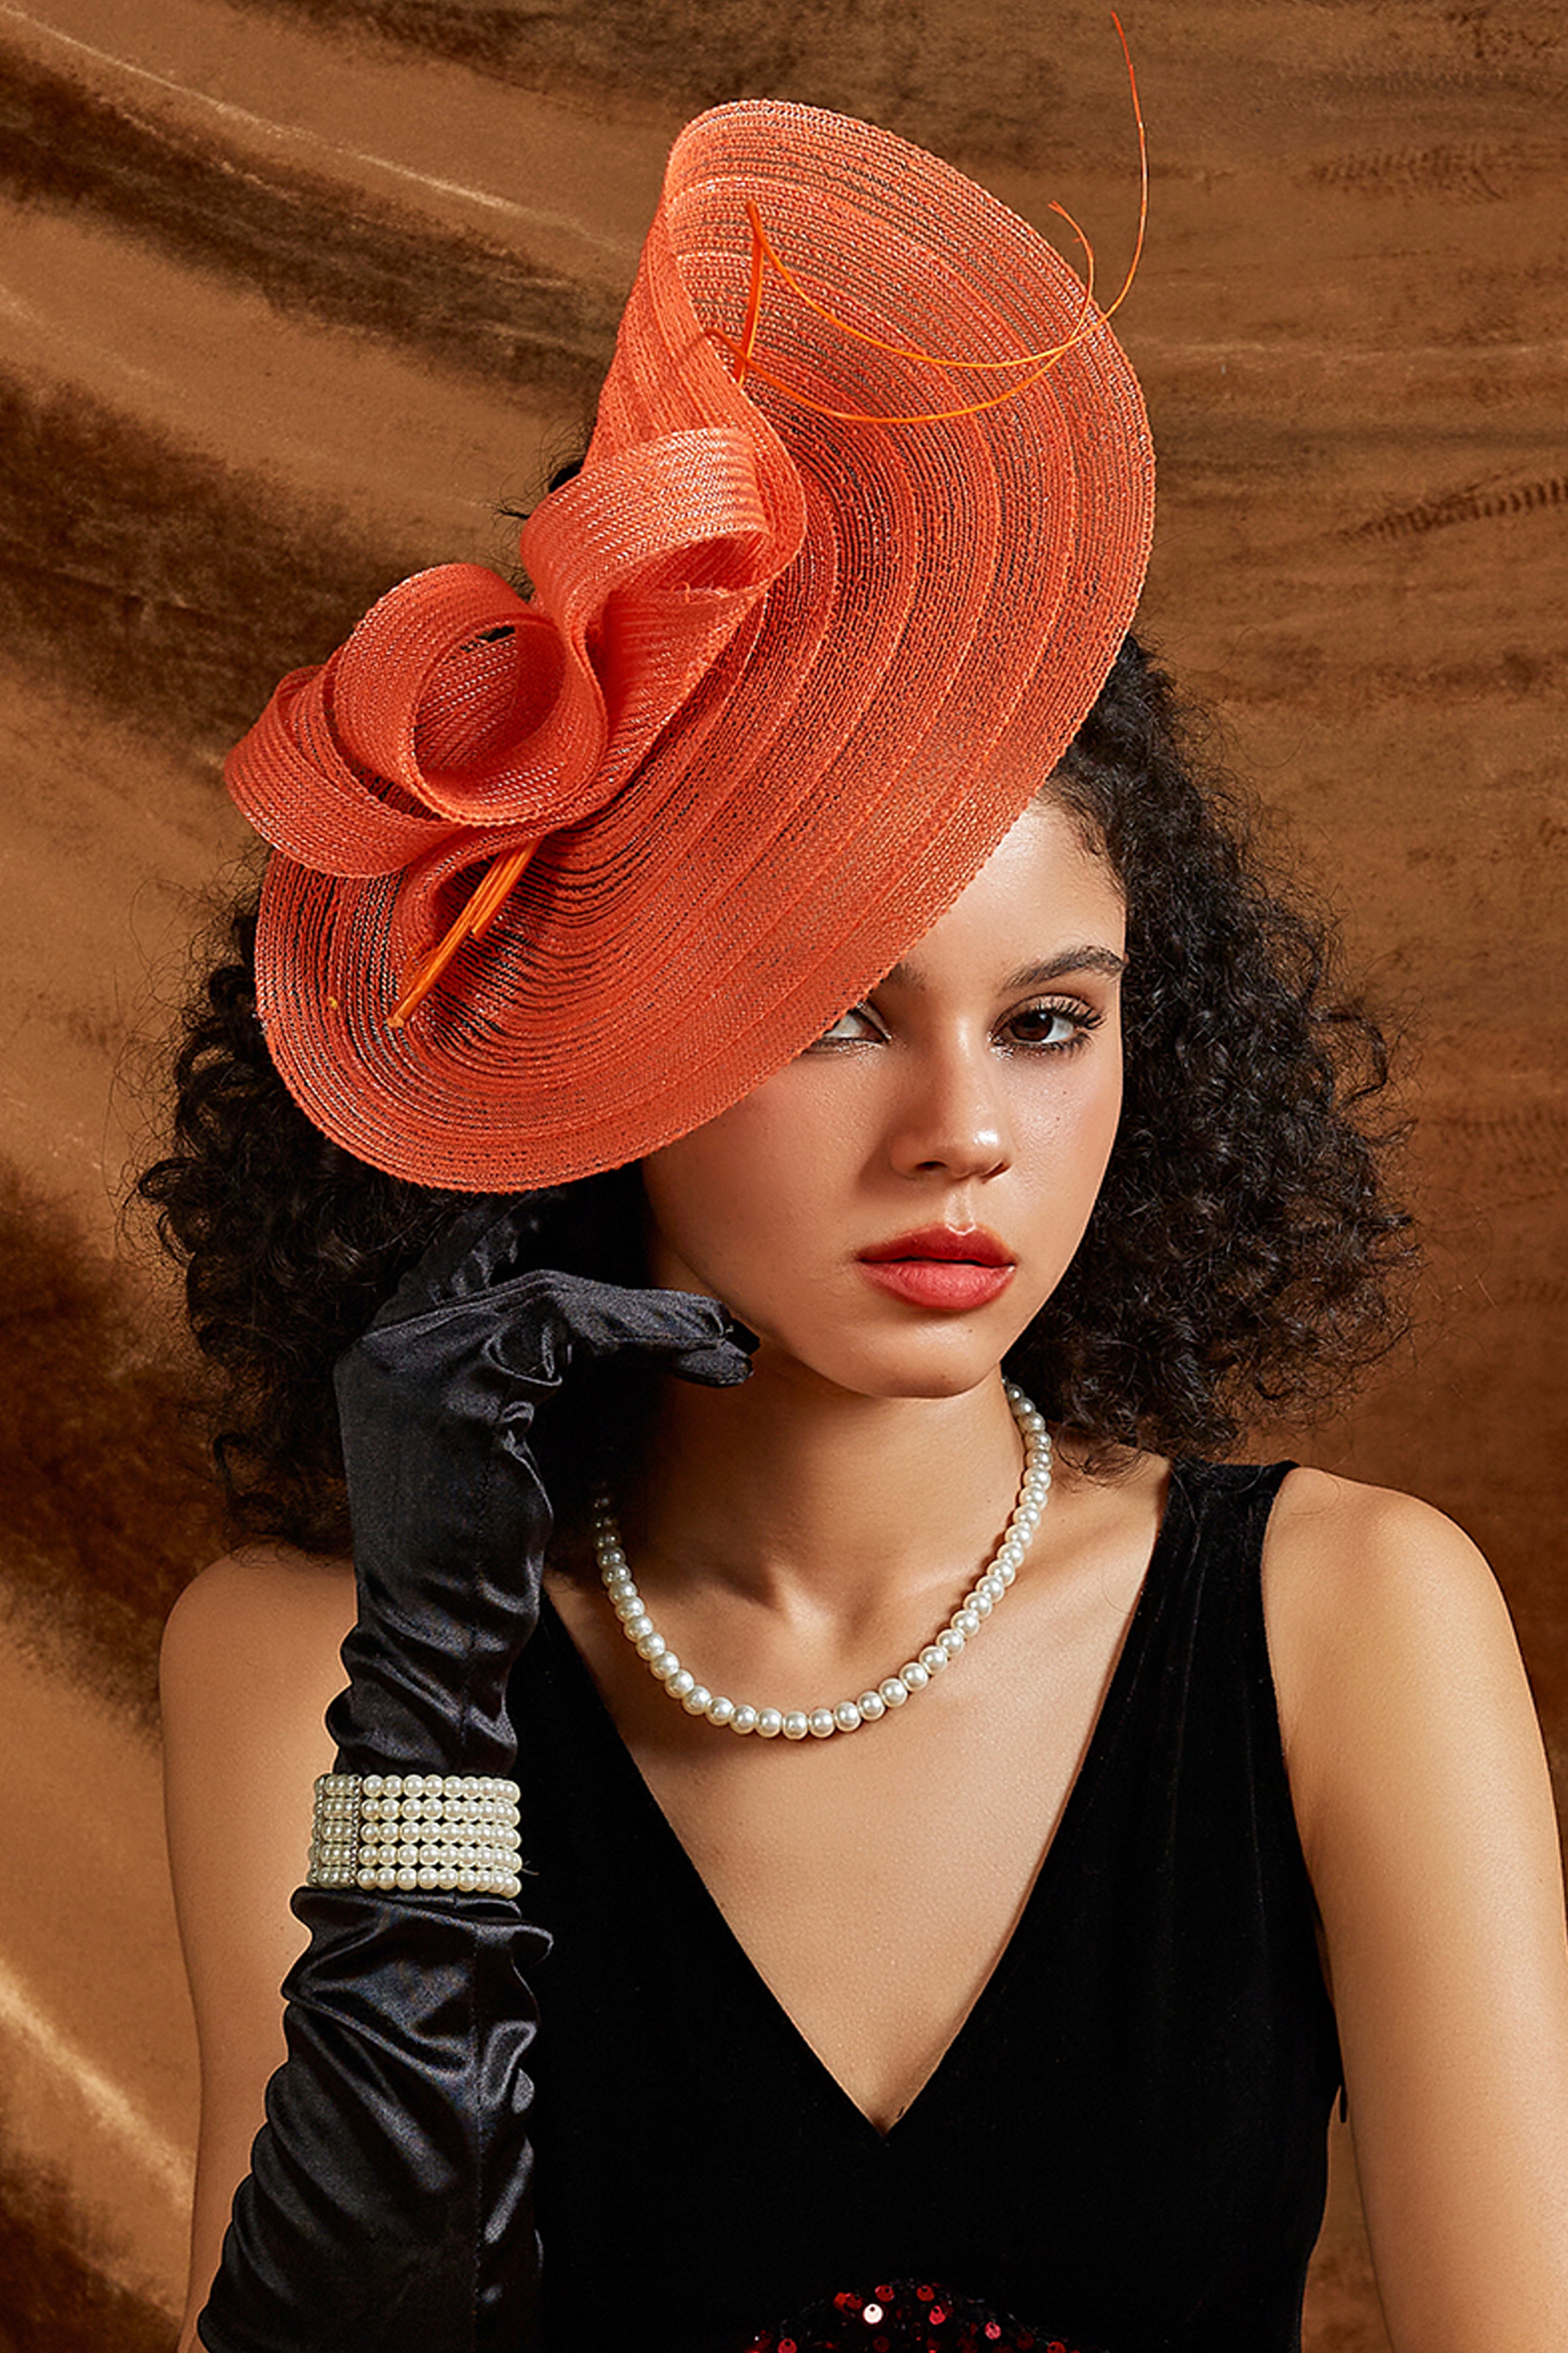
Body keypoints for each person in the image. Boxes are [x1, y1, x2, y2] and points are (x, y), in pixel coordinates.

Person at [143, 96, 1568, 2353]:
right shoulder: (302, 1662)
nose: (964, 1134)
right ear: (599, 1031)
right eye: (833, 1019)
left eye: (1050, 1021)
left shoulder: (1352, 1624)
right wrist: (427, 1696)